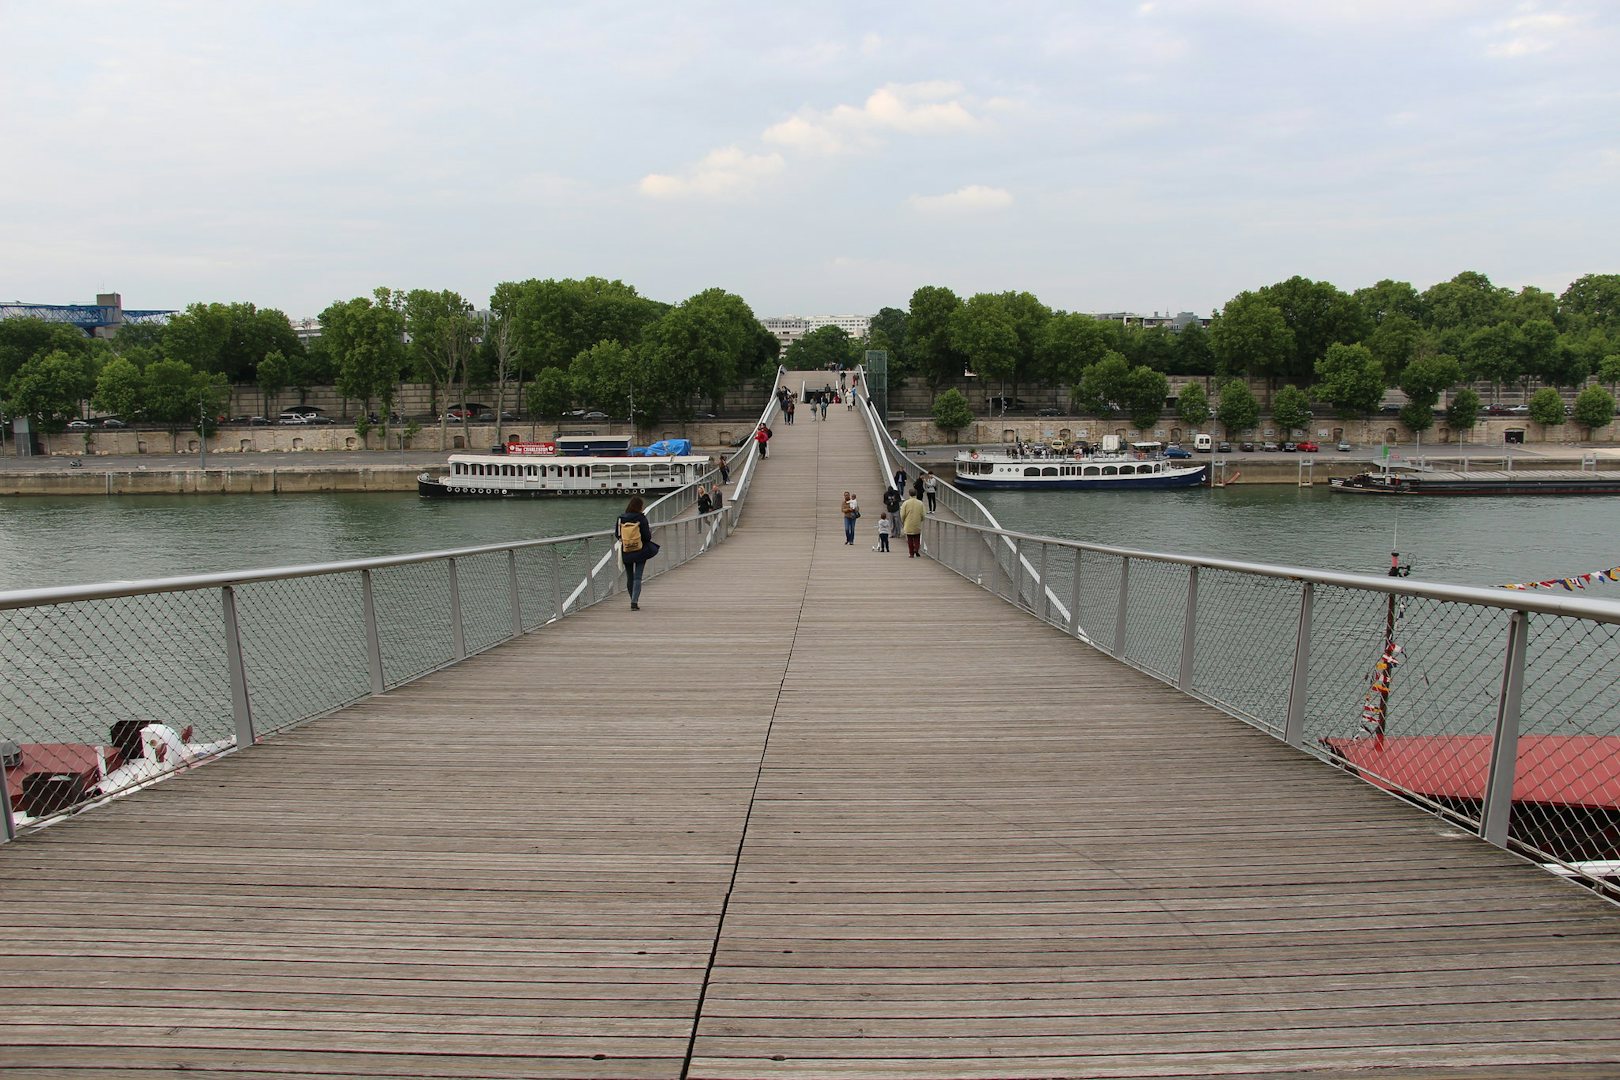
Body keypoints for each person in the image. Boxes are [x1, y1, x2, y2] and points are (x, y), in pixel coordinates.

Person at [616, 495, 656, 610]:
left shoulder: (621, 518)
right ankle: (634, 601)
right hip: (640, 550)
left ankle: (632, 599)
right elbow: (647, 537)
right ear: (639, 507)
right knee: (638, 577)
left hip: (626, 550)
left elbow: (617, 535)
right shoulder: (641, 518)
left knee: (630, 576)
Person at [899, 487, 926, 558]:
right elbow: (923, 514)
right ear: (916, 494)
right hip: (917, 523)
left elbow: (902, 514)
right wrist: (921, 519)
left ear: (909, 494)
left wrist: (903, 520)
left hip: (908, 523)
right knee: (917, 538)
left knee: (910, 539)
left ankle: (911, 553)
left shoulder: (905, 503)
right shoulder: (920, 503)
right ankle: (916, 549)